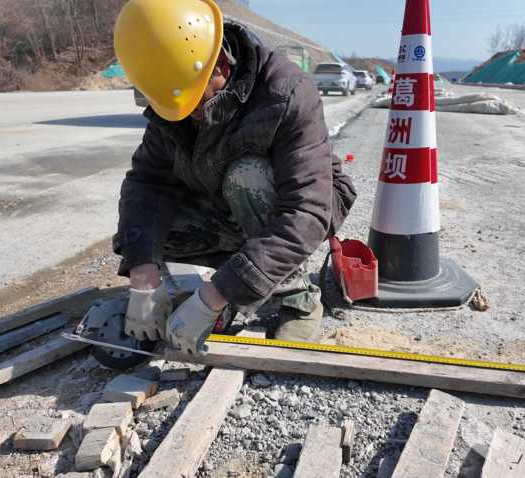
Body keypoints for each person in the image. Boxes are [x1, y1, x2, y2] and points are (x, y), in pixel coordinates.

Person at [112, 0, 356, 357]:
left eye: (194, 104)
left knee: (246, 176)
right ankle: (241, 279)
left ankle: (300, 298)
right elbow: (147, 184)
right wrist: (143, 277)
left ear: (222, 67)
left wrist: (211, 297)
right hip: (226, 204)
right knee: (148, 230)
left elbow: (306, 211)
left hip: (299, 205)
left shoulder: (286, 91)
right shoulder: (177, 105)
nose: (187, 117)